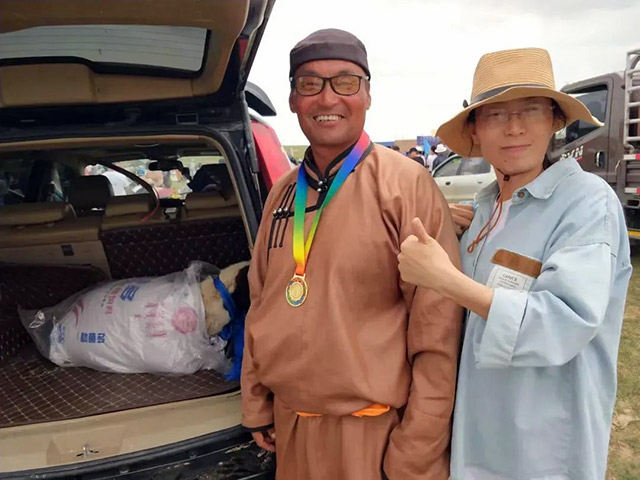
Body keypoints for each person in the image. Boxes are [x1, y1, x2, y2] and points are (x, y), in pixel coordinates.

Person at [398, 48, 632, 480]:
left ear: (555, 120)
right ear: (475, 128)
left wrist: (445, 279)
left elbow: (564, 321)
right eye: (495, 114)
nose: (514, 127)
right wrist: (449, 234)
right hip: (478, 433)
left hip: (545, 449)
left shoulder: (587, 203)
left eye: (531, 110)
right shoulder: (484, 209)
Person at [241, 28, 462, 480]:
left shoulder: (405, 186)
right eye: (310, 84)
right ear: (293, 99)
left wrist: (416, 450)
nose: (327, 99)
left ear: (366, 94)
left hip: (374, 434)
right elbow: (261, 302)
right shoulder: (282, 194)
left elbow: (437, 331)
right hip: (292, 429)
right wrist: (257, 401)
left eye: (344, 82)